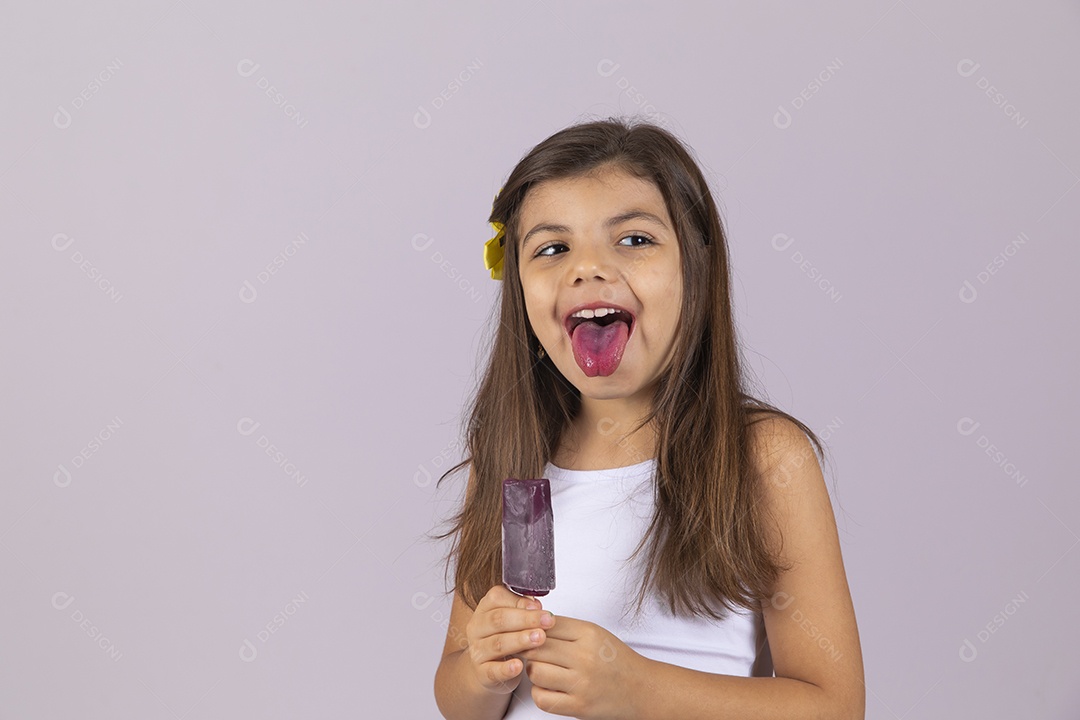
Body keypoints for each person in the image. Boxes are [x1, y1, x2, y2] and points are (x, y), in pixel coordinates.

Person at [431, 117, 864, 719]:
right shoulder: (511, 458)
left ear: (697, 266)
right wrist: (482, 672)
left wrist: (639, 690)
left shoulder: (762, 457)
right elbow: (457, 698)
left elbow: (834, 708)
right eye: (553, 248)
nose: (587, 268)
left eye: (634, 239)